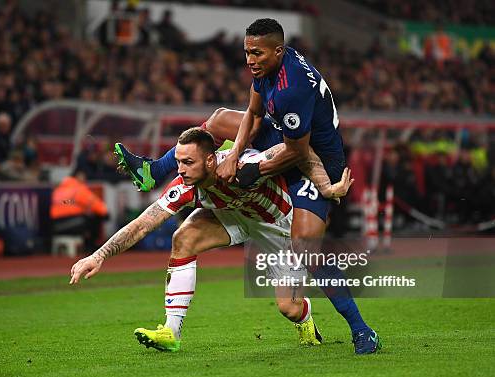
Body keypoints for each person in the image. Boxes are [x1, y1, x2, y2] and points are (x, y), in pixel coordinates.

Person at [114, 18, 381, 354]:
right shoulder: (268, 68)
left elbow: (298, 152)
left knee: (305, 247)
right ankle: (155, 170)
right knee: (217, 120)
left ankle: (361, 330)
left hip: (313, 163)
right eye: (247, 52)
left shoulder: (290, 90)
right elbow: (253, 115)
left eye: (257, 53)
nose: (250, 60)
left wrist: (255, 171)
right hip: (280, 139)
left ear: (278, 50)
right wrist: (234, 154)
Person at [70, 128, 353, 352]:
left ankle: (306, 323)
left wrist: (327, 185)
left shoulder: (243, 165)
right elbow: (144, 223)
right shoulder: (184, 184)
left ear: (210, 160)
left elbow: (294, 150)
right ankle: (171, 331)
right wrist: (98, 256)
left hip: (277, 226)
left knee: (288, 308)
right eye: (179, 162)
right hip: (233, 216)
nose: (180, 170)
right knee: (183, 237)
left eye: (188, 162)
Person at [51, 170, 109, 252]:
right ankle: (92, 248)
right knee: (95, 218)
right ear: (78, 176)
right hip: (71, 224)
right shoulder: (78, 188)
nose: (84, 179)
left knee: (86, 218)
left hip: (56, 226)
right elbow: (96, 205)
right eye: (83, 177)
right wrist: (105, 213)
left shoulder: (58, 189)